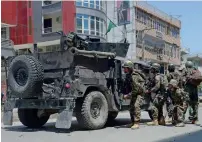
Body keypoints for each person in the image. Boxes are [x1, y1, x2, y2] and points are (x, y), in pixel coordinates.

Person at [122, 60, 146, 129]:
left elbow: (136, 89)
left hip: (139, 93)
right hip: (134, 93)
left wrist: (128, 95)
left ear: (129, 68)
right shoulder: (128, 75)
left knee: (136, 106)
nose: (124, 69)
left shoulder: (134, 76)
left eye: (125, 68)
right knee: (131, 107)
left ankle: (136, 123)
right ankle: (132, 122)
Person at [184, 61, 200, 125]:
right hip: (195, 89)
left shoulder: (186, 70)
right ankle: (195, 119)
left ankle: (189, 117)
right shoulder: (196, 70)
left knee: (188, 103)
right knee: (195, 104)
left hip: (188, 89)